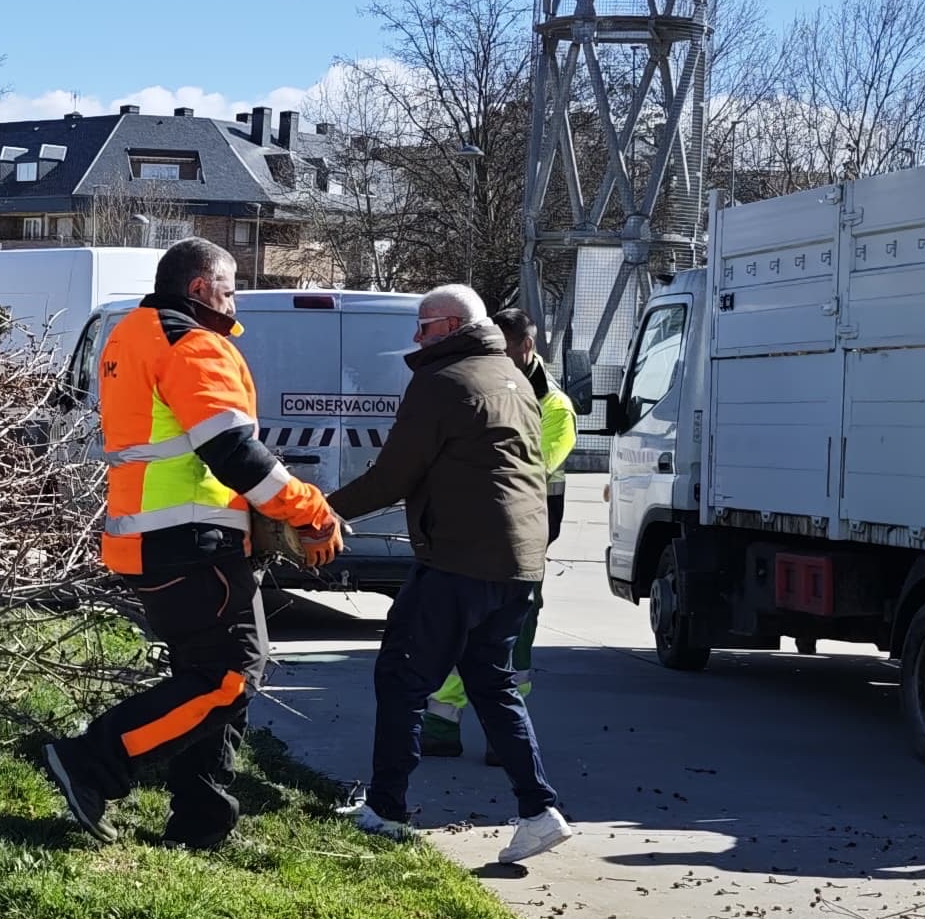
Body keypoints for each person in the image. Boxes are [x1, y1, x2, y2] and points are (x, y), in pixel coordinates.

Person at [37, 239, 341, 850]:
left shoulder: (129, 335)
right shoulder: (193, 344)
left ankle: (203, 822)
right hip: (195, 542)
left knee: (204, 678)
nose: (235, 302)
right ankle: (94, 762)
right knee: (230, 678)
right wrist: (309, 508)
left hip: (155, 539)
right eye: (229, 289)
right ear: (201, 289)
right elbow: (233, 451)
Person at [324, 284, 574, 870]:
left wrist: (321, 512)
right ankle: (539, 811)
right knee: (492, 683)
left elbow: (392, 476)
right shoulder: (515, 380)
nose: (416, 337)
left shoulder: (443, 382)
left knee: (402, 676)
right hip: (520, 564)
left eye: (425, 325)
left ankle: (386, 810)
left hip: (461, 560)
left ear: (454, 325)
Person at [426, 310, 580, 760]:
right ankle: (442, 721)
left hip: (522, 544)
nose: (491, 356)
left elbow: (529, 470)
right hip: (470, 536)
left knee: (513, 635)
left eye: (502, 348)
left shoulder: (553, 407)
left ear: (525, 348)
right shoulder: (484, 387)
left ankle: (502, 732)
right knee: (458, 627)